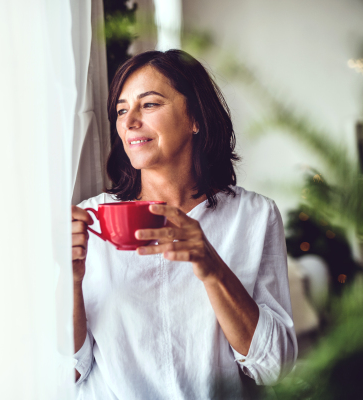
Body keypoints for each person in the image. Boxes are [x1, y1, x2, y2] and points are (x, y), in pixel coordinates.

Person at [70, 50, 297, 399]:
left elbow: (275, 368)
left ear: (195, 117)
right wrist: (69, 280)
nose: (129, 121)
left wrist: (212, 267)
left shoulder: (254, 217)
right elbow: (67, 370)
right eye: (121, 110)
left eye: (149, 105)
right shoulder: (90, 221)